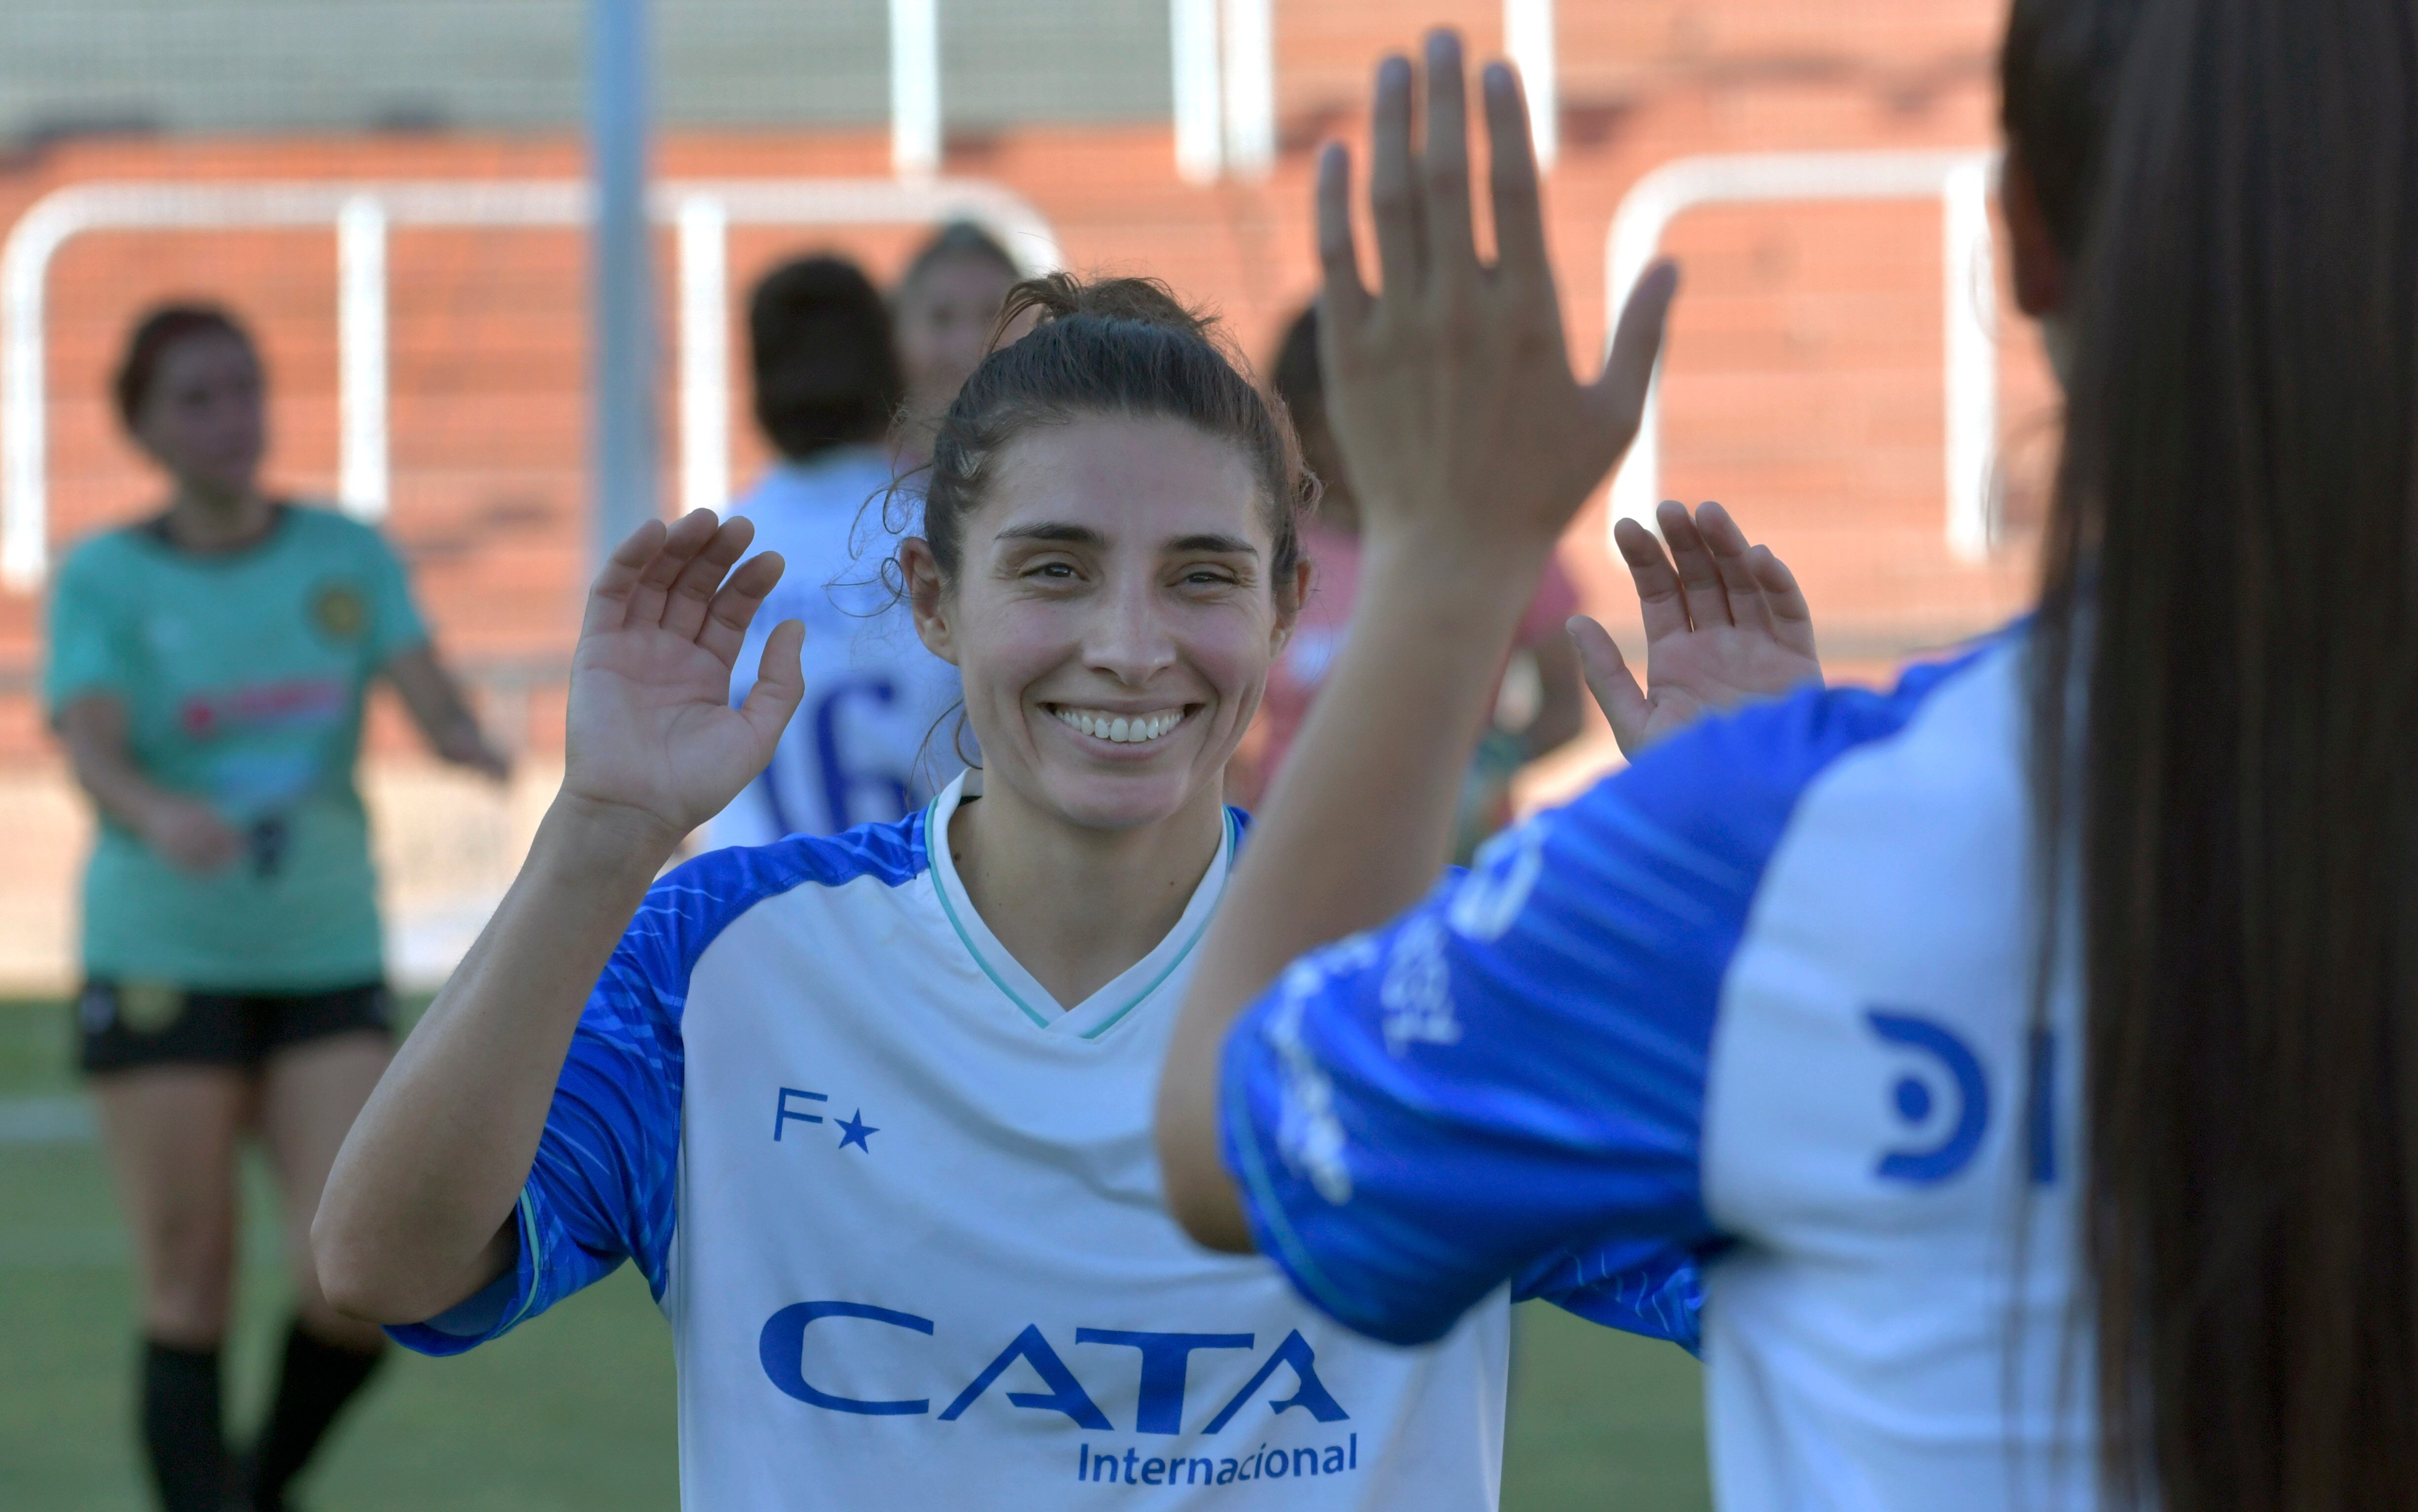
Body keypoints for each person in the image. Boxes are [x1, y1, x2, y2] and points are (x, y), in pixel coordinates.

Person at [1160, 11, 2418, 1510]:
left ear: (2017, 240)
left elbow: (1232, 1131)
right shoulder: (1778, 834)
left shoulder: (1774, 848)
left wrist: (1448, 563)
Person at [312, 270, 1808, 1507]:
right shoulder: (725, 958)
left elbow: (1817, 1277)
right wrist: (602, 824)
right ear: (932, 599)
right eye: (1055, 570)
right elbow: (387, 1260)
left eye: (1206, 576)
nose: (1134, 643)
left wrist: (1768, 878)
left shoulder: (1429, 980)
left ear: (1289, 606)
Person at [45, 303, 510, 1512]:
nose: (230, 418)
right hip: (163, 950)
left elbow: (426, 685)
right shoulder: (104, 576)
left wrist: (470, 740)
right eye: (197, 397)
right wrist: (154, 811)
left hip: (323, 951)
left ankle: (256, 1488)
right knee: (188, 1279)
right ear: (143, 424)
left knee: (363, 1274)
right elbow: (89, 740)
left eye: (245, 389)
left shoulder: (343, 555)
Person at [1249, 305, 1587, 853]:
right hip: (1288, 857)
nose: (1348, 437)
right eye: (1323, 414)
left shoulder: (1494, 531)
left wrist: (1483, 775)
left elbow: (1566, 707)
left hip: (1443, 864)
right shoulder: (1266, 540)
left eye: (1376, 410)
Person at [703, 255, 962, 846]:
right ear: (891, 375)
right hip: (928, 914)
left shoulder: (709, 557)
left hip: (757, 919)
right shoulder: (947, 536)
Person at [890, 221, 1022, 467]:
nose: (968, 342)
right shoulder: (850, 489)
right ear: (898, 332)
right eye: (942, 317)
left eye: (991, 315)